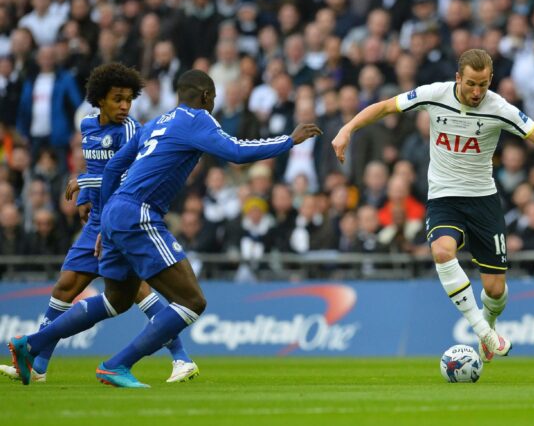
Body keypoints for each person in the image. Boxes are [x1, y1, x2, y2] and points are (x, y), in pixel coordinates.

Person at [8, 70, 322, 387]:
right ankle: (118, 365)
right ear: (206, 96)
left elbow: (116, 166)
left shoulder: (157, 122)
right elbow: (237, 152)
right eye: (212, 98)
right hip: (139, 213)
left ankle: (32, 343)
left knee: (117, 299)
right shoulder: (198, 119)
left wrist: (105, 222)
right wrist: (288, 141)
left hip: (116, 211)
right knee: (192, 301)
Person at [332, 49, 534, 362]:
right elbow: (386, 106)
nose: (476, 91)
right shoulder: (434, 94)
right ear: (458, 78)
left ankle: (490, 323)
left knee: (496, 290)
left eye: (483, 84)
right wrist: (347, 127)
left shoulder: (500, 108)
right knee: (442, 251)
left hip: (484, 201)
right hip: (444, 197)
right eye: (471, 83)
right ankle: (483, 332)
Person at [1, 63, 199, 384]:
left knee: (136, 292)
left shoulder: (132, 130)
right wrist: (84, 197)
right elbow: (92, 165)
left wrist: (84, 183)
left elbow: (128, 176)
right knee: (66, 287)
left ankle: (180, 357)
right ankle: (37, 366)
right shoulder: (88, 125)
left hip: (121, 219)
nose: (124, 106)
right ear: (99, 100)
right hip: (97, 219)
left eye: (128, 100)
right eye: (117, 99)